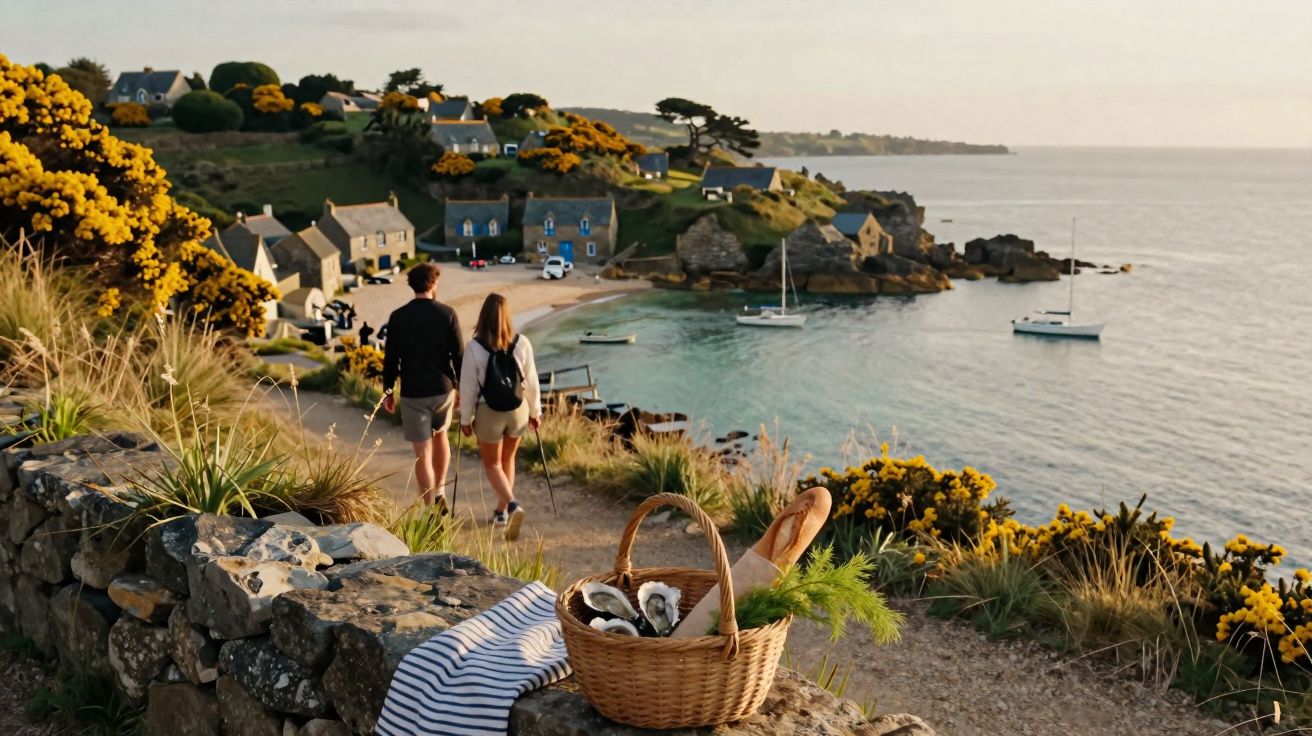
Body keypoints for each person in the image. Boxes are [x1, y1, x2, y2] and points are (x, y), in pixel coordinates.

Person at [459, 294, 542, 541]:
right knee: (509, 459)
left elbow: (468, 388)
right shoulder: (522, 342)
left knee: (493, 465)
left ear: (483, 316)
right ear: (508, 316)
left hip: (489, 412)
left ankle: (512, 505)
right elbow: (532, 381)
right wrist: (536, 411)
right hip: (518, 411)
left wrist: (465, 419)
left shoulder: (475, 347)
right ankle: (501, 510)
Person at [381, 263, 463, 508]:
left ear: (411, 285)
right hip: (443, 389)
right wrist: (461, 387)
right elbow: (459, 355)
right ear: (434, 284)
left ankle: (429, 509)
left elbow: (390, 358)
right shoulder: (447, 313)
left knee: (422, 454)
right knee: (441, 437)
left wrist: (388, 391)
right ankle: (440, 491)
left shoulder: (398, 317)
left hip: (413, 391)